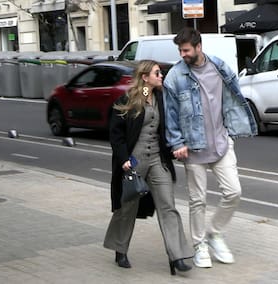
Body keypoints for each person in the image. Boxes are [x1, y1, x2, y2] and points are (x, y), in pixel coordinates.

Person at [163, 27, 258, 268]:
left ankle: (215, 233)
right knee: (198, 200)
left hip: (222, 142)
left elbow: (234, 98)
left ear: (198, 47)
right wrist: (177, 143)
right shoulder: (175, 76)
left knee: (233, 192)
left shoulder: (219, 67)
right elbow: (170, 115)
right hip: (193, 148)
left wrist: (233, 126)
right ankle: (199, 245)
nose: (182, 54)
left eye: (186, 50)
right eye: (180, 50)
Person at [103, 60, 194, 275]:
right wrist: (124, 158)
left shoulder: (162, 98)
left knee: (168, 206)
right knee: (127, 207)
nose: (161, 75)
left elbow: (171, 126)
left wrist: (177, 146)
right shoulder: (130, 100)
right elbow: (116, 134)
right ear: (145, 77)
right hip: (134, 161)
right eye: (156, 73)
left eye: (161, 73)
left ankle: (177, 256)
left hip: (157, 160)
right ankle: (119, 248)